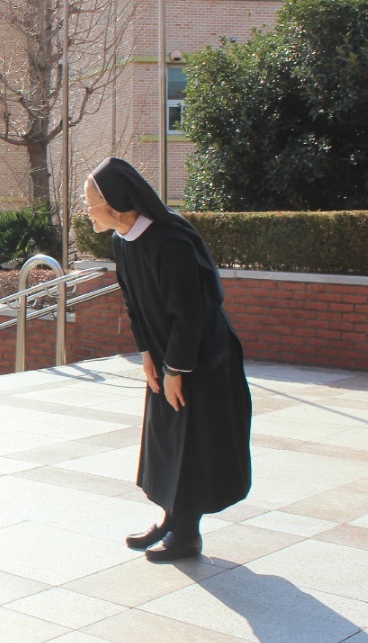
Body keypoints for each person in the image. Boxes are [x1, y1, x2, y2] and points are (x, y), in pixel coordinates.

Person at [85, 156, 252, 563]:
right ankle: (171, 519)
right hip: (166, 356)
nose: (87, 211)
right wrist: (147, 354)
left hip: (203, 359)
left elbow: (188, 314)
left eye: (90, 203)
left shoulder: (169, 242)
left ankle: (187, 535)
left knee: (192, 443)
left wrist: (176, 369)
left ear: (115, 203)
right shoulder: (122, 240)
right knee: (166, 439)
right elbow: (133, 303)